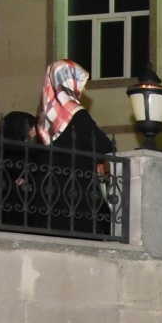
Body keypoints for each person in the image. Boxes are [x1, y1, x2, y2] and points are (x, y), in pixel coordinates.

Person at [35, 60, 116, 235]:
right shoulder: (75, 112)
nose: (83, 89)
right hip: (75, 196)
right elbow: (104, 145)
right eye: (80, 83)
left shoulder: (43, 117)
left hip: (48, 196)